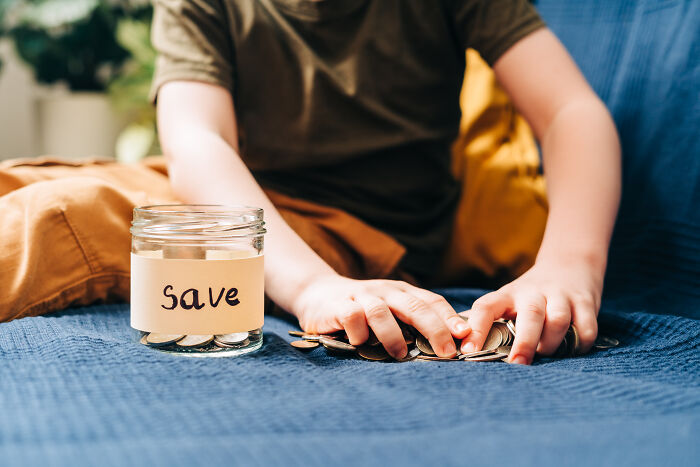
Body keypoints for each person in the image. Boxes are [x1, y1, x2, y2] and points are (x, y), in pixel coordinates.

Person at [152, 0, 621, 364]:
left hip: (361, 233)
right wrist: (310, 286)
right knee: (119, 204)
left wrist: (572, 262)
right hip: (240, 203)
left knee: (99, 216)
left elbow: (570, 112)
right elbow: (196, 142)